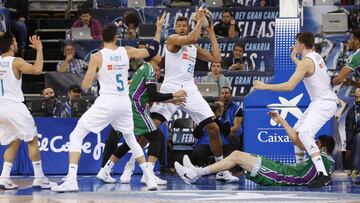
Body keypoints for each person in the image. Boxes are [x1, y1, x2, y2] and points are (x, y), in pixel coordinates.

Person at [51, 23, 163, 192]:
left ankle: (72, 180)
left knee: (76, 135)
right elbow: (151, 51)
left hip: (107, 101)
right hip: (124, 103)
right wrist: (159, 29)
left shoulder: (97, 56)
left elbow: (86, 86)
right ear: (116, 37)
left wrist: (97, 72)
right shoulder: (126, 51)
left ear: (101, 39)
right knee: (131, 139)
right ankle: (149, 178)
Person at [96, 12, 186, 185]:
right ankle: (148, 174)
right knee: (157, 137)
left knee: (131, 141)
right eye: (159, 55)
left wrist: (171, 100)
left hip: (130, 106)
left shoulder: (145, 68)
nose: (161, 58)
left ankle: (105, 169)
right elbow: (153, 95)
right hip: (136, 108)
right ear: (154, 58)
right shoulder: (150, 70)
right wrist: (174, 95)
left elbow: (150, 95)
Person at [150, 9, 239, 182]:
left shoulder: (193, 47)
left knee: (213, 128)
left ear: (188, 26)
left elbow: (217, 58)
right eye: (179, 25)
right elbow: (192, 37)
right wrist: (199, 21)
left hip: (190, 90)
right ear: (175, 28)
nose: (182, 28)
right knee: (152, 127)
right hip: (171, 88)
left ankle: (221, 169)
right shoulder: (172, 40)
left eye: (185, 25)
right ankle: (135, 168)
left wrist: (211, 31)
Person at [253, 31, 338, 187]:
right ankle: (300, 168)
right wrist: (294, 58)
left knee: (304, 134)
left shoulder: (306, 61)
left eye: (295, 42)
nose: (294, 45)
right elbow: (307, 69)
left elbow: (289, 86)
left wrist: (265, 86)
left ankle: (323, 174)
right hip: (320, 101)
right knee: (297, 134)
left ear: (300, 42)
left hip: (324, 102)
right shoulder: (316, 56)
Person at [175, 111, 335, 187]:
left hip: (280, 175)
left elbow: (307, 177)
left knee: (237, 156)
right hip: (280, 170)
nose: (311, 144)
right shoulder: (320, 161)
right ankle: (196, 172)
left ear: (322, 146)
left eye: (315, 142)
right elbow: (298, 142)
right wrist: (281, 121)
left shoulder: (324, 161)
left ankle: (195, 173)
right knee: (237, 154)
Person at [0, 32, 53, 189]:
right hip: (14, 106)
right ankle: (39, 177)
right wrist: (39, 49)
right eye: (15, 41)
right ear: (10, 45)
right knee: (32, 140)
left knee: (14, 141)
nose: (17, 44)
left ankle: (3, 177)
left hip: (0, 107)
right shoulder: (16, 61)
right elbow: (37, 69)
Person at [345, 88, 360, 176]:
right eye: (356, 97)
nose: (358, 100)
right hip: (358, 138)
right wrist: (348, 148)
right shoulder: (351, 112)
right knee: (359, 137)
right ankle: (356, 168)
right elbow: (349, 130)